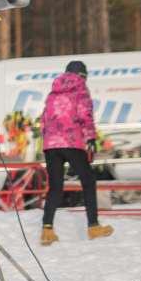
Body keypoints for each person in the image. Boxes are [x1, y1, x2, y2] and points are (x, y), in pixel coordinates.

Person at [38, 59, 112, 245]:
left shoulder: (52, 93)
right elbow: (85, 115)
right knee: (88, 181)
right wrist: (92, 139)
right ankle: (94, 226)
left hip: (51, 145)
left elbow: (44, 120)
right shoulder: (80, 88)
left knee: (55, 186)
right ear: (83, 75)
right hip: (71, 142)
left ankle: (47, 230)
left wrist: (49, 140)